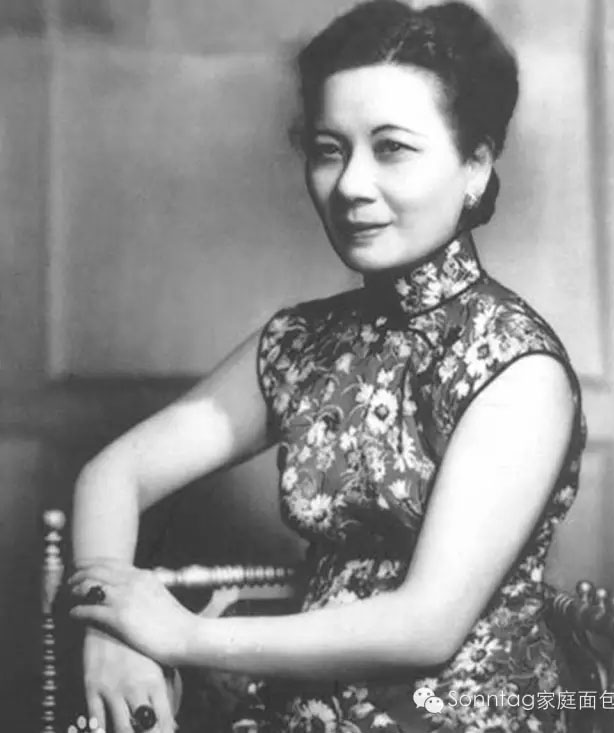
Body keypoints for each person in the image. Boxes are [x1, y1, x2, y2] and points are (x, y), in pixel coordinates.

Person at [68, 1, 587, 731]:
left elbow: (425, 627)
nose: (350, 185)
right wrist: (111, 632)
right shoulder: (304, 341)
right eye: (328, 149)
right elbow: (114, 475)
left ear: (475, 164)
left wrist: (179, 636)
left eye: (392, 148)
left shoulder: (515, 364)